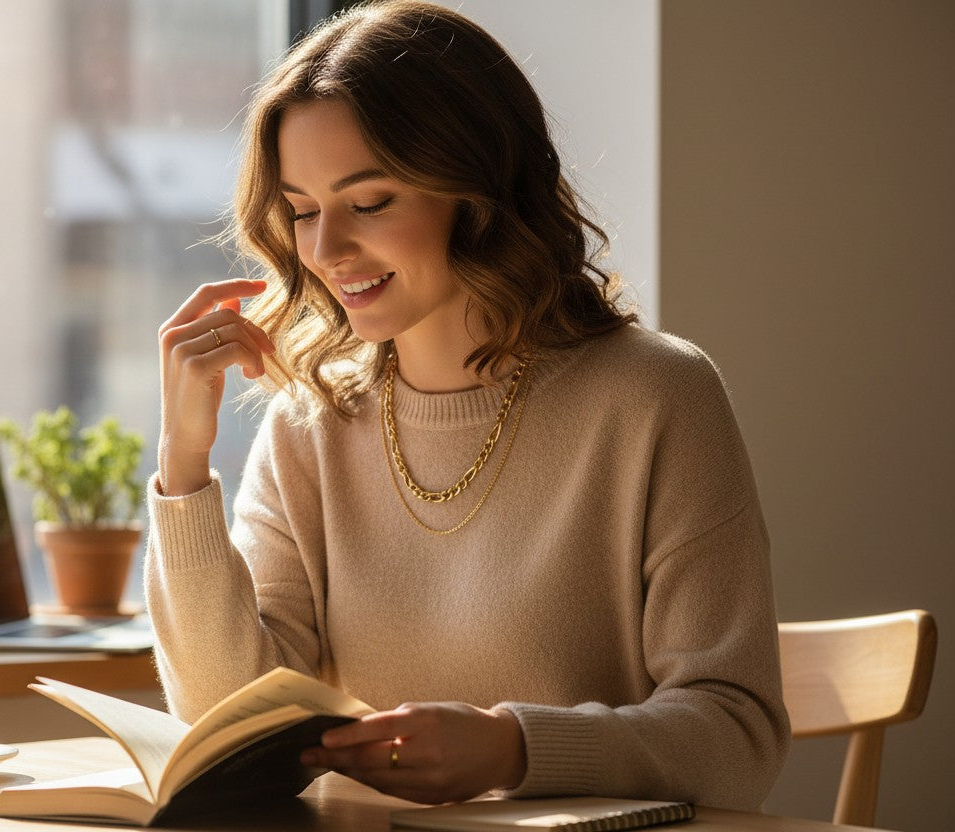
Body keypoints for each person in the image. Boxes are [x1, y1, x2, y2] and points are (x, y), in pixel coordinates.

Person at [146, 0, 789, 809]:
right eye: (303, 210)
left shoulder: (656, 396)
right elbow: (225, 729)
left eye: (369, 202)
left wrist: (517, 750)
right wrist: (182, 467)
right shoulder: (310, 426)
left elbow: (738, 739)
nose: (323, 250)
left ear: (479, 192)